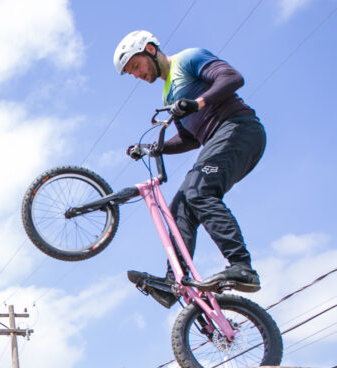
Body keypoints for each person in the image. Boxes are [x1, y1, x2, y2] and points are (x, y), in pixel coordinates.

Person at [114, 30, 265, 308]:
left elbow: (232, 78)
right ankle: (174, 283)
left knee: (198, 191)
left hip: (239, 129)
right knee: (181, 205)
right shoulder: (168, 92)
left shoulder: (188, 59)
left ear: (149, 49)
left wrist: (198, 102)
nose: (136, 75)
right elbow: (190, 138)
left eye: (135, 66)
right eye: (130, 73)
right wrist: (153, 148)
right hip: (216, 141)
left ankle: (242, 266)